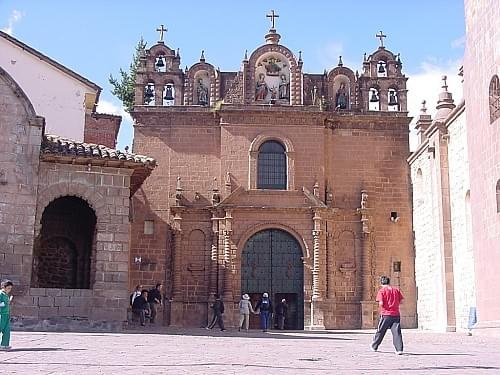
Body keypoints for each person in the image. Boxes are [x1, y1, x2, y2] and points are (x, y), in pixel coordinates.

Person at [370, 276, 404, 355]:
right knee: (396, 332)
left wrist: (383, 307)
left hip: (386, 314)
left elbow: (381, 303)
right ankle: (399, 349)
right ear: (389, 282)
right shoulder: (396, 290)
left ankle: (374, 346)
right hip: (396, 314)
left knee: (381, 331)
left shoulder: (382, 291)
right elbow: (401, 301)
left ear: (381, 283)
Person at [0, 280, 14, 350]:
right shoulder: (0, 294)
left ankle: (4, 345)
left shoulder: (6, 295)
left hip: (6, 314)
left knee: (7, 330)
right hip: (1, 315)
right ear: (4, 287)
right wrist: (5, 304)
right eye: (8, 288)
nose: (9, 290)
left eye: (10, 288)